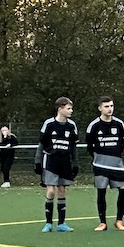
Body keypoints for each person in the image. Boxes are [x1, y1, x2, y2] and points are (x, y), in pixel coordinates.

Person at [86, 96, 124, 232]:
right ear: (100, 108)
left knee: (123, 189)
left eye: (111, 106)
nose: (110, 109)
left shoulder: (119, 124)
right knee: (101, 191)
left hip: (116, 164)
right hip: (100, 164)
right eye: (106, 106)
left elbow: (123, 143)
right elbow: (89, 146)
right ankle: (102, 222)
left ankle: (119, 220)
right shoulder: (94, 125)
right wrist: (98, 157)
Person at [38, 97, 79, 232]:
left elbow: (73, 146)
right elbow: (42, 143)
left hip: (65, 161)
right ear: (60, 109)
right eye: (68, 108)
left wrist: (75, 163)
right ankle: (48, 223)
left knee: (62, 191)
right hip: (51, 161)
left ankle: (61, 223)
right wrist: (37, 161)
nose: (71, 111)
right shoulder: (49, 124)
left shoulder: (71, 125)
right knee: (50, 191)